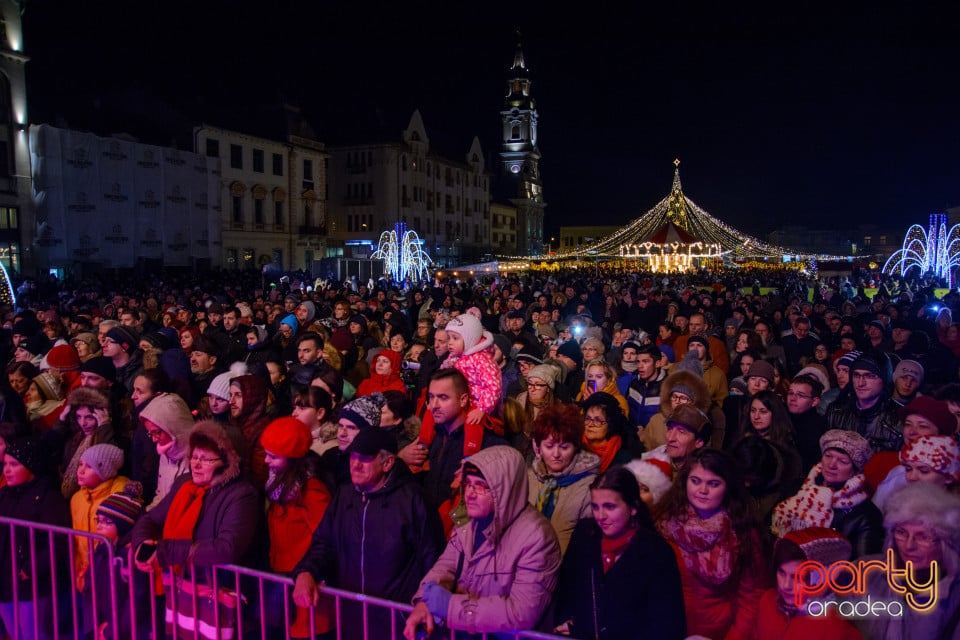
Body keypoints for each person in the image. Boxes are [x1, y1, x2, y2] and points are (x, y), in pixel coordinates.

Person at [293, 428, 444, 640]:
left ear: (388, 463)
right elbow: (324, 543)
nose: (354, 465)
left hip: (398, 622)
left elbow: (432, 558)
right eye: (353, 457)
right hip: (352, 618)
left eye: (364, 459)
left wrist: (424, 602)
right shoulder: (345, 495)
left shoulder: (413, 500)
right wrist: (306, 571)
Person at [404, 445, 561, 639]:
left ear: (504, 490)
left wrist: (451, 607)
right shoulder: (468, 521)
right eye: (468, 484)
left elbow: (521, 612)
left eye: (480, 486)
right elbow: (446, 566)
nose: (469, 494)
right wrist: (423, 601)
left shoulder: (536, 537)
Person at [131, 420, 260, 640]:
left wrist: (166, 551)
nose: (196, 465)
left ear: (227, 462)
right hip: (182, 589)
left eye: (205, 459)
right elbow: (151, 519)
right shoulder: (185, 484)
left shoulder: (242, 495)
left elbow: (226, 548)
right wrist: (143, 542)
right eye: (194, 457)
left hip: (219, 593)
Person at [553, 467, 686, 640]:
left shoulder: (657, 552)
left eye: (609, 507)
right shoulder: (584, 535)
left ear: (633, 507)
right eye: (595, 506)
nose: (600, 516)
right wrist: (565, 622)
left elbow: (667, 623)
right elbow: (566, 588)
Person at [655, 448, 768, 640]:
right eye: (695, 481)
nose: (702, 491)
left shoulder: (743, 532)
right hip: (669, 627)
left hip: (719, 631)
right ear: (685, 482)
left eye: (713, 484)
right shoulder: (664, 524)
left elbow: (752, 596)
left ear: (728, 487)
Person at [859, 483, 960, 639]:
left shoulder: (954, 593)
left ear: (945, 542)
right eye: (901, 532)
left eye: (923, 537)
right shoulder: (866, 573)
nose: (909, 545)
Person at [261, 417, 332, 638]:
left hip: (302, 578)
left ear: (292, 459)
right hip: (282, 573)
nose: (265, 460)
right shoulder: (279, 483)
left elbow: (324, 536)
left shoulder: (312, 490)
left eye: (273, 456)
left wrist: (308, 571)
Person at [772, 429, 884, 559]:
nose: (832, 465)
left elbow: (862, 566)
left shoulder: (866, 515)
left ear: (855, 470)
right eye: (828, 456)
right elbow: (769, 530)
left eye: (842, 461)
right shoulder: (797, 488)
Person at [0, 437, 70, 640]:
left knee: (34, 635)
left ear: (31, 466)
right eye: (5, 464)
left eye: (14, 465)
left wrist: (31, 569)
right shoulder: (4, 495)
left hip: (31, 585)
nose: (7, 470)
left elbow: (58, 541)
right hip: (5, 582)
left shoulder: (49, 498)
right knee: (16, 634)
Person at [755, 527, 861, 639]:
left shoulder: (834, 627)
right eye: (781, 572)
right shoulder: (767, 602)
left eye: (797, 577)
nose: (786, 585)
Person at [82, 483, 152, 640]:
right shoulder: (100, 551)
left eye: (107, 522)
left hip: (127, 632)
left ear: (123, 526)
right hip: (100, 628)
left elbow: (138, 599)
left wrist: (112, 631)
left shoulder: (133, 555)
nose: (99, 526)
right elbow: (88, 591)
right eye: (98, 520)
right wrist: (94, 626)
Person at [528, 403, 600, 555]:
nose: (556, 454)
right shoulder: (531, 477)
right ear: (538, 447)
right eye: (549, 446)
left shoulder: (590, 486)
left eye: (564, 447)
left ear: (576, 447)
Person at [69, 443, 130, 592]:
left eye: (89, 467)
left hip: (109, 572)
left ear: (105, 471)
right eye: (81, 464)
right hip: (84, 573)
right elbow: (77, 539)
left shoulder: (119, 496)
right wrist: (77, 570)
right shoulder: (77, 499)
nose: (81, 471)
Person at [580, 391, 642, 473]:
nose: (590, 424)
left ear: (610, 424)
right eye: (588, 419)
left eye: (598, 420)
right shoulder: (575, 446)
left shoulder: (624, 460)